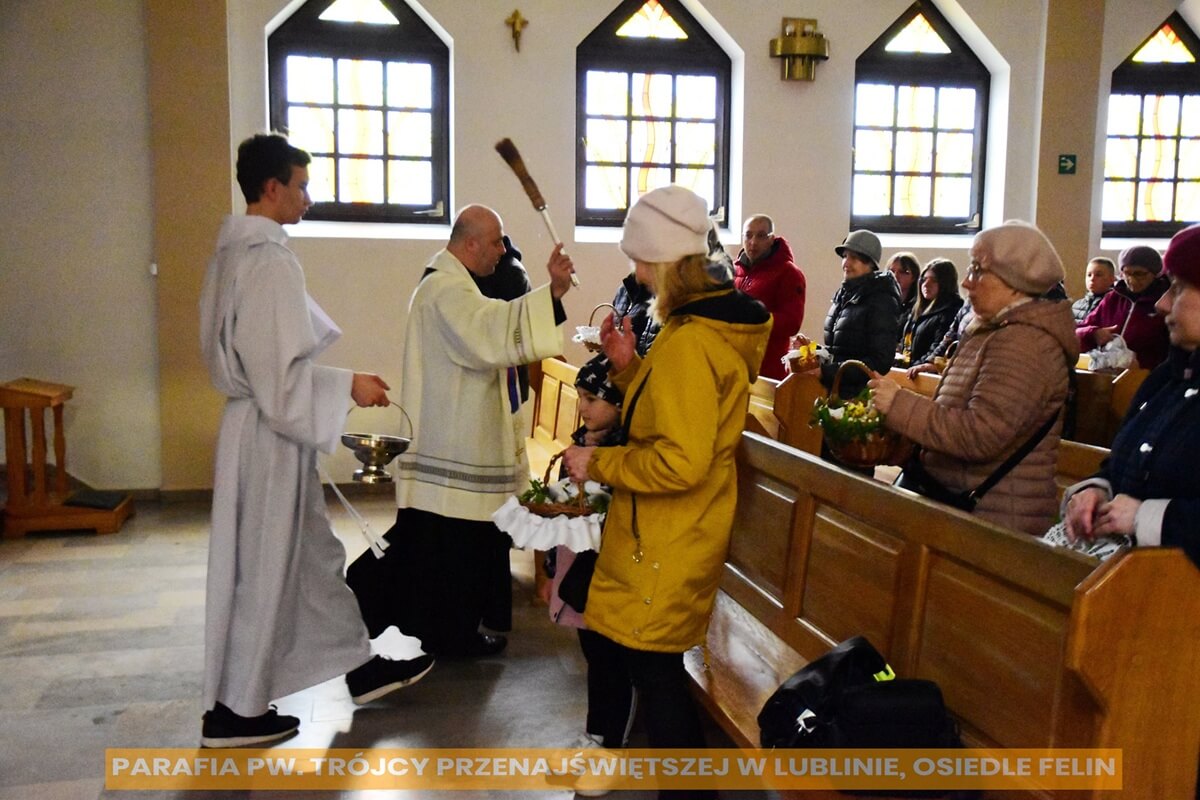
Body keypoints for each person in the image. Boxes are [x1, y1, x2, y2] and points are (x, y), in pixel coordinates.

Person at [197, 133, 433, 747]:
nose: (306, 197)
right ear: (270, 188)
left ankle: (358, 667)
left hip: (256, 434)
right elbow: (279, 383)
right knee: (268, 571)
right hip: (270, 436)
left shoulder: (231, 253)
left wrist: (332, 385)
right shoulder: (270, 260)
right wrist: (346, 385)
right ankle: (238, 712)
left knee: (310, 559)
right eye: (300, 186)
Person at [561, 185, 770, 791]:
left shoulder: (691, 341)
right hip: (675, 532)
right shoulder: (701, 327)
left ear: (663, 261)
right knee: (646, 666)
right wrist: (628, 371)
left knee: (655, 675)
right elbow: (677, 417)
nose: (635, 272)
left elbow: (679, 462)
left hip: (667, 535)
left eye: (639, 259)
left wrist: (596, 465)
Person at [347, 204, 576, 659]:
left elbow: (491, 326)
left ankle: (450, 633)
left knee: (452, 552)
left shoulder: (453, 286)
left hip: (454, 447)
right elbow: (489, 332)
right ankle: (378, 619)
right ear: (470, 243)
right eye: (495, 241)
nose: (502, 250)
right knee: (441, 553)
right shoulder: (445, 290)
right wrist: (551, 295)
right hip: (451, 451)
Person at [868, 220, 1079, 535]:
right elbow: (958, 410)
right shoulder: (993, 331)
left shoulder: (1026, 344)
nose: (967, 282)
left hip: (992, 520)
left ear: (1014, 281)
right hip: (961, 508)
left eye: (979, 270)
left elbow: (980, 434)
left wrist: (898, 403)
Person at [1062, 223, 1200, 569]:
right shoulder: (1166, 379)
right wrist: (1097, 489)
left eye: (1179, 289)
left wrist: (1150, 518)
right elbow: (1126, 460)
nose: (1163, 304)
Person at [544, 355, 636, 758]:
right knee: (591, 649)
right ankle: (597, 731)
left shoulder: (623, 454)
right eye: (580, 397)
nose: (583, 407)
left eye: (592, 399)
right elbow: (563, 504)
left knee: (609, 658)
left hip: (605, 569)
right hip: (576, 565)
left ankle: (610, 738)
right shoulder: (582, 443)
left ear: (619, 404)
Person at [818, 230, 901, 398]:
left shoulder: (881, 299)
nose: (846, 263)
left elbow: (880, 360)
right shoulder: (844, 294)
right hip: (836, 391)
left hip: (858, 397)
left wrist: (827, 372)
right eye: (845, 256)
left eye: (854, 258)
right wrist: (813, 353)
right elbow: (839, 349)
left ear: (870, 264)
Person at [733, 214, 806, 380]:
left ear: (772, 239)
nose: (753, 242)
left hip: (768, 369)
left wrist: (756, 317)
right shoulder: (734, 271)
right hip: (734, 365)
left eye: (760, 236)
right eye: (748, 235)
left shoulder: (788, 273)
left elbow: (792, 322)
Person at [1077, 246, 1170, 370]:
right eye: (1127, 273)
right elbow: (1079, 331)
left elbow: (1173, 351)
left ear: (1155, 274)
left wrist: (1144, 365)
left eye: (1139, 274)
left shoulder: (1165, 302)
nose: (1131, 279)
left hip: (1147, 376)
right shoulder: (1113, 298)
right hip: (1108, 372)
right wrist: (1093, 333)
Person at [472, 234, 533, 402]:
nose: (502, 250)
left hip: (505, 373)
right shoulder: (484, 269)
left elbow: (513, 325)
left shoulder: (511, 272)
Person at [896, 258, 964, 368]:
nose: (926, 284)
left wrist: (914, 366)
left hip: (922, 373)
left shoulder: (950, 312)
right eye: (924, 279)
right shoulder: (917, 310)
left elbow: (937, 350)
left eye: (934, 280)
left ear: (946, 283)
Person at [1071, 257, 1117, 323]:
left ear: (1112, 279)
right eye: (1089, 275)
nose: (1092, 279)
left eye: (1098, 275)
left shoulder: (1115, 306)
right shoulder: (1077, 305)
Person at [887, 251, 921, 327]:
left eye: (902, 272)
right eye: (891, 271)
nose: (895, 275)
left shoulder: (918, 306)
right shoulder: (882, 302)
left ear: (914, 277)